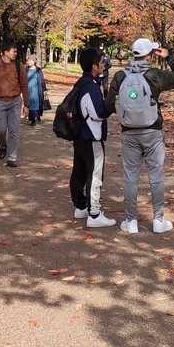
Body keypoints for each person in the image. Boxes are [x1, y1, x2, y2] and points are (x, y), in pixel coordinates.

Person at [106, 38, 174, 234]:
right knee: (156, 176)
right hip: (152, 131)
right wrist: (169, 57)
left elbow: (109, 106)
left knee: (130, 177)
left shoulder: (119, 76)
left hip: (129, 134)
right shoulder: (155, 74)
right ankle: (158, 220)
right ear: (150, 55)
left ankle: (131, 221)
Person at [69, 49, 116, 228]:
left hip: (80, 135)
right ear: (94, 66)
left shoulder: (81, 83)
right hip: (92, 136)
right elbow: (98, 113)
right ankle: (94, 214)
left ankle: (80, 206)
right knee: (94, 174)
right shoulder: (91, 86)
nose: (104, 65)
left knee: (79, 172)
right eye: (102, 62)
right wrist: (112, 105)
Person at [0, 41, 29, 167]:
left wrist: (26, 104)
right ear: (6, 52)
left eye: (16, 51)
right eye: (13, 51)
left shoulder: (18, 65)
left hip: (15, 101)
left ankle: (11, 158)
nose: (16, 53)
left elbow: (24, 85)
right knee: (0, 129)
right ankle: (3, 146)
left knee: (13, 130)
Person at [25, 56, 48, 125]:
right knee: (30, 104)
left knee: (37, 104)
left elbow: (42, 80)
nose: (28, 62)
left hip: (37, 90)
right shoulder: (25, 70)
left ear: (34, 61)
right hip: (28, 90)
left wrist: (44, 89)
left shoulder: (38, 70)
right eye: (27, 61)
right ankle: (32, 120)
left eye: (30, 60)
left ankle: (37, 116)